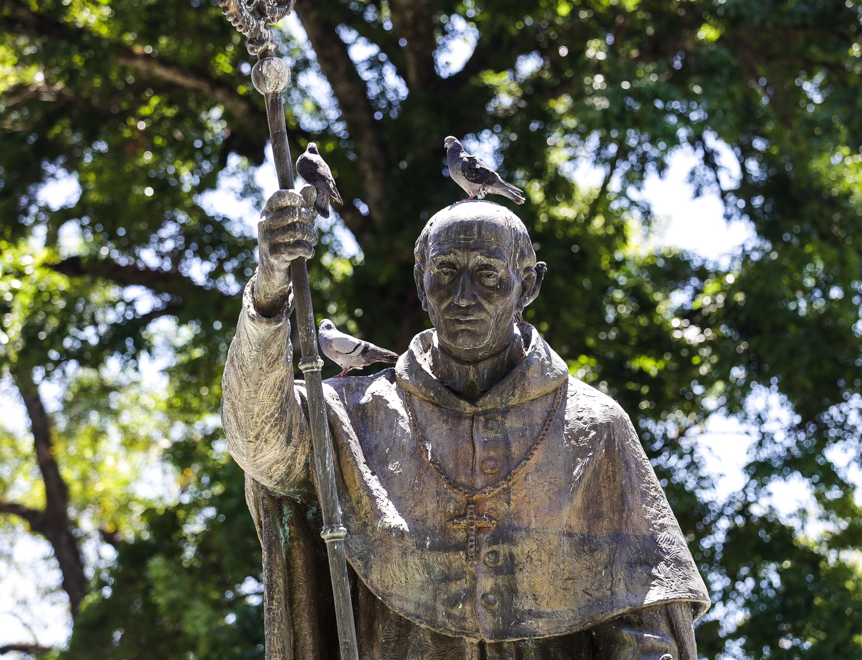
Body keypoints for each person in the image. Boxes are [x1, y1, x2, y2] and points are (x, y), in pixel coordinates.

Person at [222, 190, 710, 660]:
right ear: (421, 282)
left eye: (488, 276)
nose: (463, 297)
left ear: (529, 285)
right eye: (446, 272)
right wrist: (269, 290)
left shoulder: (596, 428)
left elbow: (646, 619)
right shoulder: (352, 415)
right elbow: (258, 439)